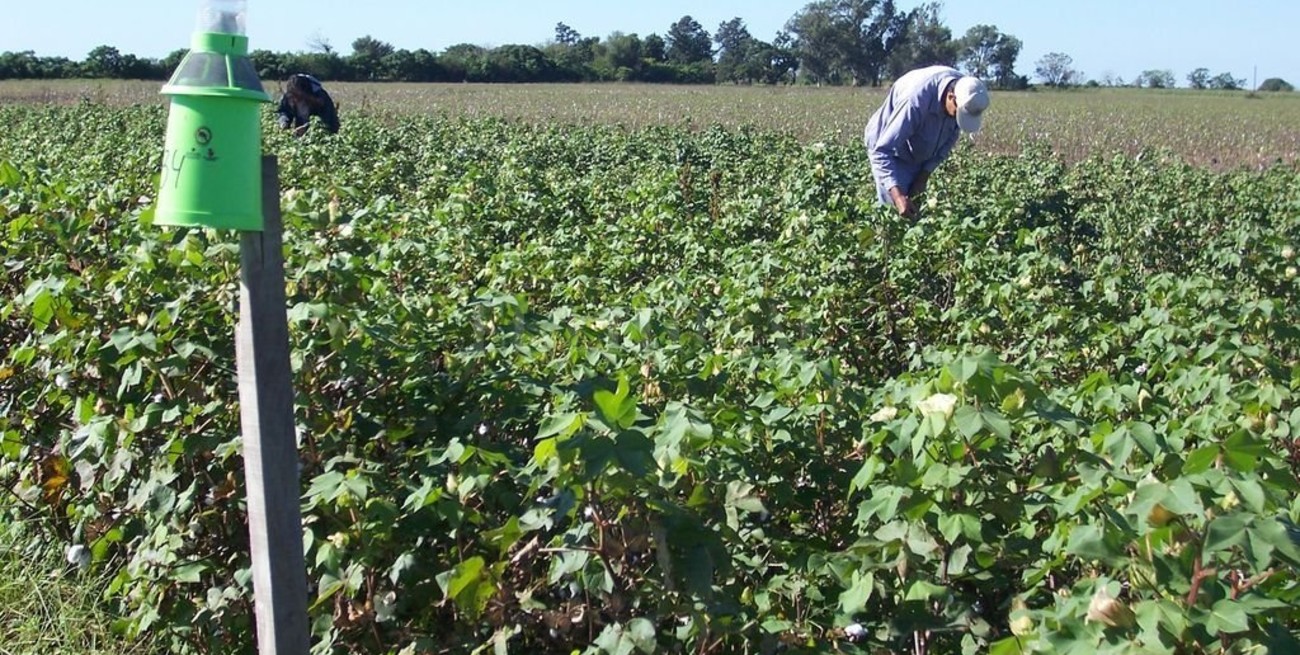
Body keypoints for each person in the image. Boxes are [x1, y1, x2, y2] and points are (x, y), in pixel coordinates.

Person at [863, 65, 989, 218]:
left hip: (918, 149)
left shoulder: (966, 92)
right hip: (890, 151)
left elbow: (948, 141)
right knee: (896, 215)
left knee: (914, 208)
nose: (956, 119)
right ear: (951, 97)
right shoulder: (915, 101)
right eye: (958, 114)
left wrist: (922, 178)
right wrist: (898, 196)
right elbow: (882, 151)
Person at [276, 73, 340, 136]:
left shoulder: (321, 98)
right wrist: (284, 122)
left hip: (324, 135)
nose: (294, 99)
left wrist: (307, 128)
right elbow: (284, 111)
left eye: (297, 95)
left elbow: (325, 122)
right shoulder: (289, 96)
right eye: (293, 95)